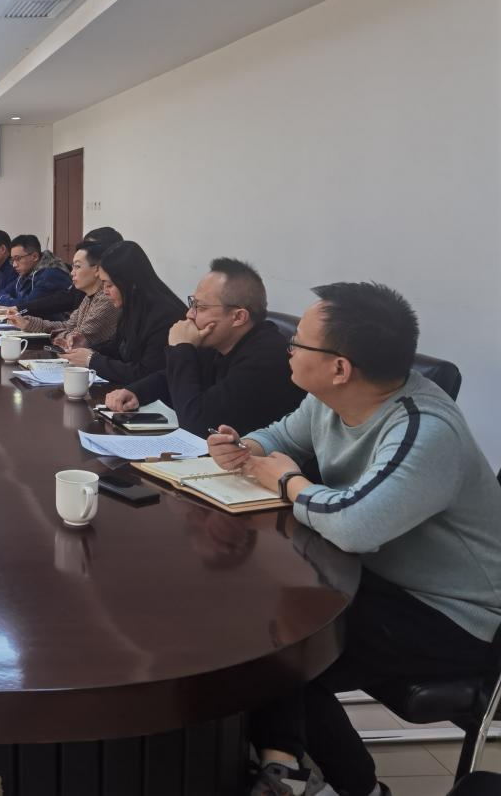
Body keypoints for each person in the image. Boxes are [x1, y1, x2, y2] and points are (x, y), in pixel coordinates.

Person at [207, 283, 501, 796]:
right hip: (380, 578)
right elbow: (282, 436)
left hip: (454, 615)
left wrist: (287, 481)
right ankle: (285, 764)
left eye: (297, 342)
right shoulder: (331, 399)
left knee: (276, 645)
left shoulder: (425, 429)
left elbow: (355, 525)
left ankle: (340, 783)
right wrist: (245, 448)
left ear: (340, 367)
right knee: (256, 614)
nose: (287, 349)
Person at [102, 258, 304, 435]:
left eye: (201, 307)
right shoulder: (218, 342)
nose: (189, 314)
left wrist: (181, 348)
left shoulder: (265, 358)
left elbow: (198, 424)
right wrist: (135, 392)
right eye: (193, 304)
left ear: (238, 317)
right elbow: (171, 378)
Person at [62, 241, 184, 382]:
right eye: (103, 284)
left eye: (109, 285)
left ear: (130, 283)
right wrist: (86, 346)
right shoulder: (132, 306)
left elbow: (146, 373)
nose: (105, 291)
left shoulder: (164, 316)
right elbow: (118, 346)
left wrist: (91, 360)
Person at [8, 238, 119, 349]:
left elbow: (78, 338)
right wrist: (27, 323)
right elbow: (68, 326)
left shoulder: (107, 299)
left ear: (97, 270)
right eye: (73, 266)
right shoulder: (88, 297)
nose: (72, 273)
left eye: (77, 266)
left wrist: (61, 335)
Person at [18, 226, 124, 322]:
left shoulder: (109, 296)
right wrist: (22, 313)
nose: (73, 272)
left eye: (90, 247)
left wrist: (21, 311)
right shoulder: (87, 294)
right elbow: (69, 324)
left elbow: (81, 332)